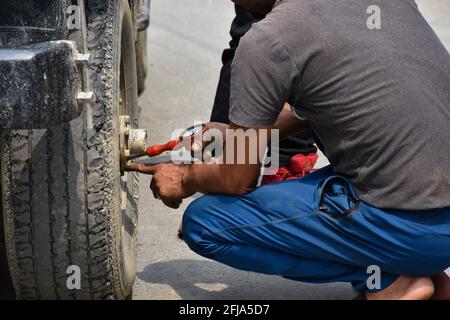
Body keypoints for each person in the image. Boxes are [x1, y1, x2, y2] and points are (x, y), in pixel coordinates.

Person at [128, 0, 450, 300]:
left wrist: (184, 178)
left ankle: (391, 281)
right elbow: (344, 98)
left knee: (203, 224)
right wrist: (237, 132)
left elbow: (234, 179)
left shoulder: (267, 40)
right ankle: (420, 262)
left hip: (409, 231)